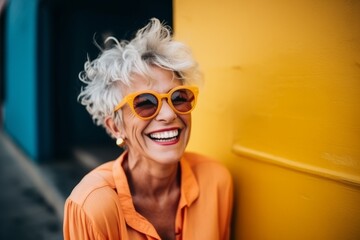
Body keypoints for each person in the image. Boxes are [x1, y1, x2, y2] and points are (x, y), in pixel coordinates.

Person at [63, 18, 233, 240]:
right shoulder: (91, 206)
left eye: (178, 98)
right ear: (115, 127)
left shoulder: (216, 181)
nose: (169, 114)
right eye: (145, 102)